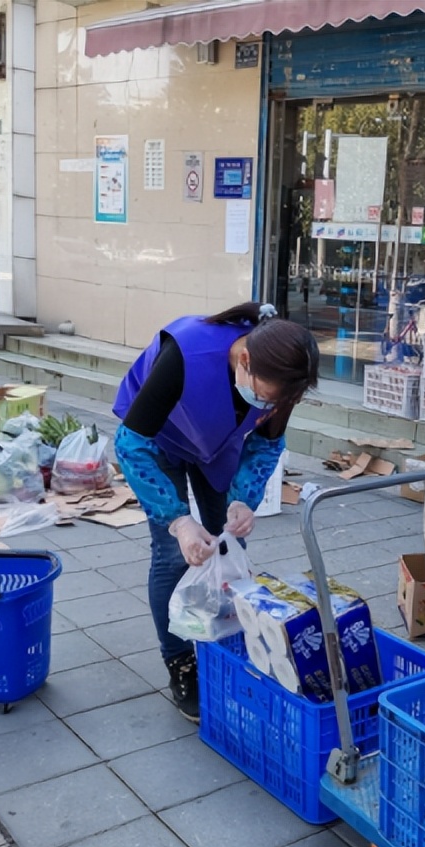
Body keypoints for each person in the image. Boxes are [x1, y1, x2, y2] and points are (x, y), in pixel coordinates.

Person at [112, 302, 319, 721]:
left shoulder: (283, 383)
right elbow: (131, 445)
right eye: (265, 396)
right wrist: (178, 520)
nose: (268, 404)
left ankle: (221, 641)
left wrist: (244, 499)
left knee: (227, 542)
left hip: (217, 442)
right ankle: (180, 661)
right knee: (175, 554)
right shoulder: (185, 354)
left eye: (276, 401)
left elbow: (267, 444)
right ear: (245, 360)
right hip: (158, 441)